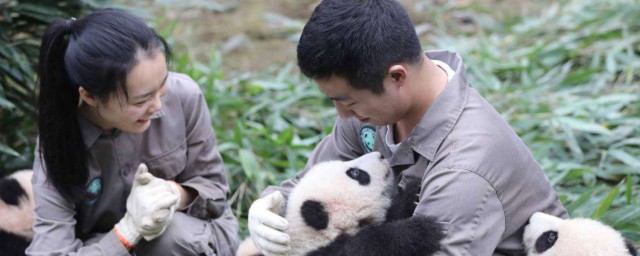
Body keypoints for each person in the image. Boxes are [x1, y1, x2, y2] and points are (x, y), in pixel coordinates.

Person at [247, 0, 568, 255]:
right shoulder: (369, 111)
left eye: (349, 102)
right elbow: (314, 187)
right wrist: (272, 204)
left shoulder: (464, 166)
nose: (342, 115)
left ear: (396, 76)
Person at [27, 9, 238, 255]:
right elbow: (52, 250)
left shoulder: (185, 96)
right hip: (106, 247)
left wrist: (173, 195)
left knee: (169, 237)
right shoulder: (59, 141)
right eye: (140, 101)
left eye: (162, 85)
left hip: (196, 234)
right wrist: (126, 233)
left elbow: (215, 191)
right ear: (90, 96)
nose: (158, 106)